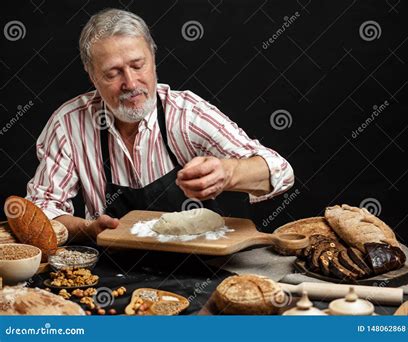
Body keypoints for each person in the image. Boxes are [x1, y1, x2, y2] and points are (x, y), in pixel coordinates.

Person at [26, 8, 294, 241]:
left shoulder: (187, 114)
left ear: (153, 60)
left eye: (138, 65)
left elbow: (281, 172)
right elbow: (40, 211)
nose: (130, 84)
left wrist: (228, 172)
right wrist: (88, 229)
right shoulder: (69, 124)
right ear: (92, 74)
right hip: (112, 270)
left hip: (197, 268)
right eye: (113, 73)